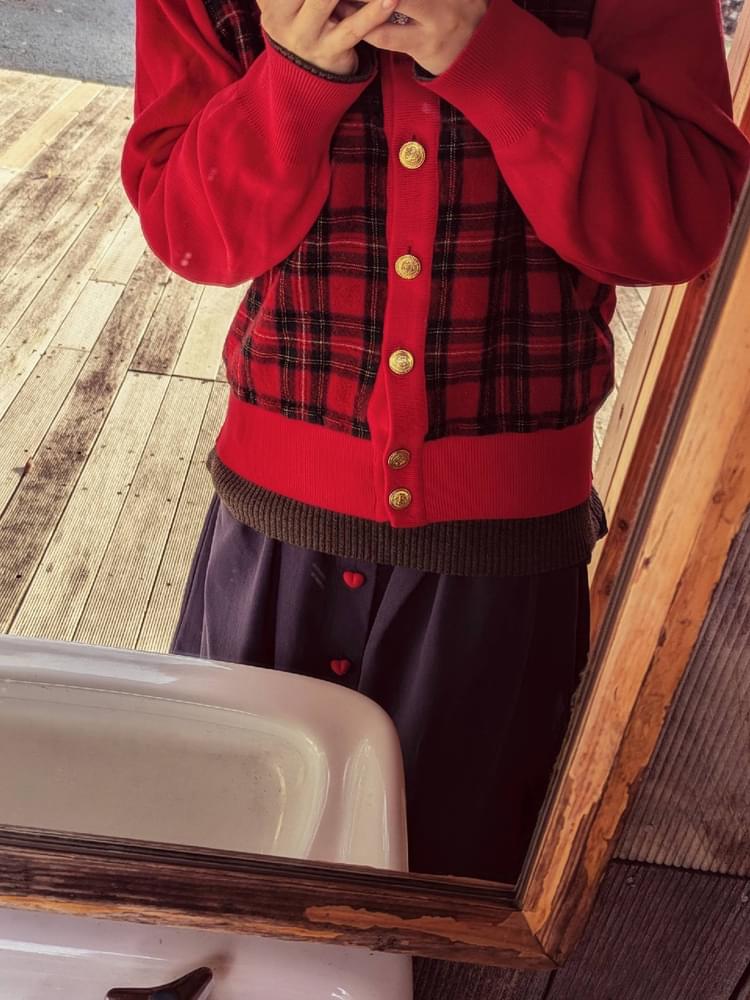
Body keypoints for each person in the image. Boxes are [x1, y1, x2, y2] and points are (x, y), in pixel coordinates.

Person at [120, 0, 750, 885]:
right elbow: (188, 233)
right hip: (268, 546)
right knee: (214, 878)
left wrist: (487, 50)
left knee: (452, 904)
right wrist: (292, 80)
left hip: (503, 570)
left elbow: (678, 221)